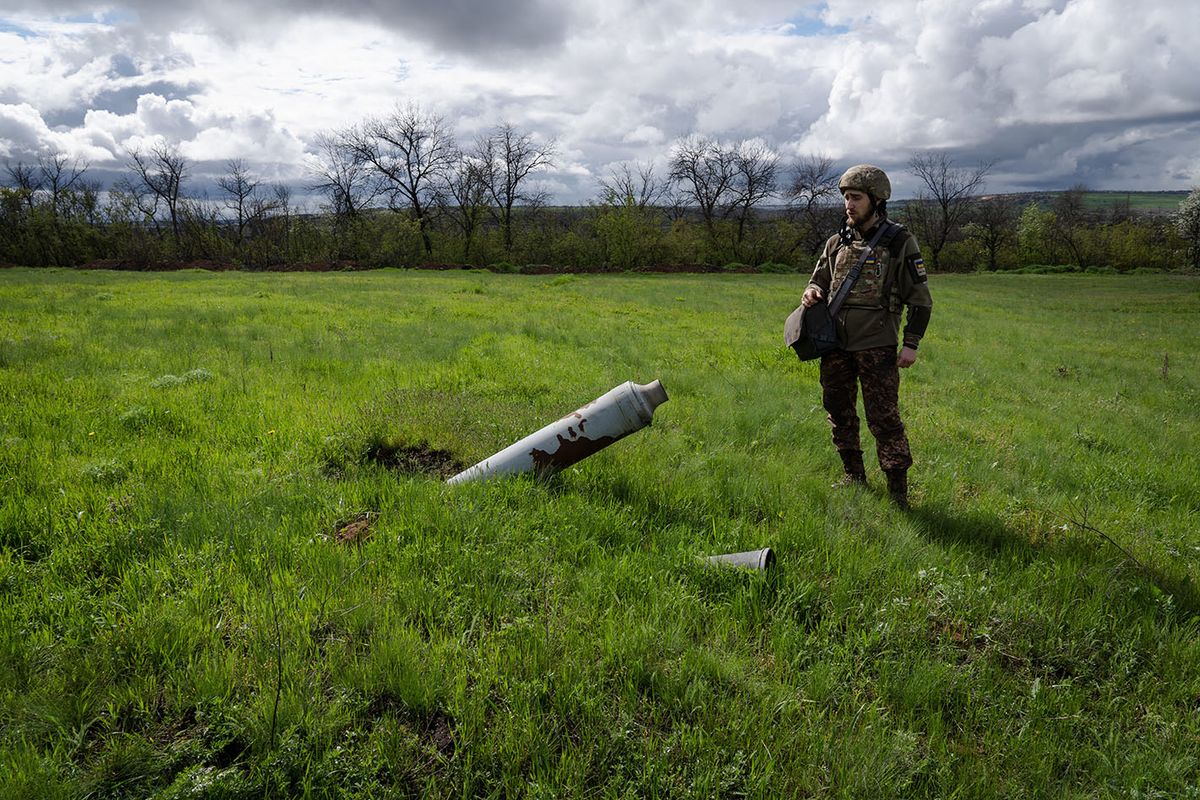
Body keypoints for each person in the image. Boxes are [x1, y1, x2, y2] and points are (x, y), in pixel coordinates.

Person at [800, 164, 932, 508]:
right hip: (835, 346)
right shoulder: (836, 241)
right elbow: (818, 280)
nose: (848, 204)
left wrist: (911, 344)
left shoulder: (899, 241)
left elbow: (920, 300)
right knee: (838, 410)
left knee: (884, 418)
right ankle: (854, 476)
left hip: (877, 346)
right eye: (845, 197)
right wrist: (812, 292)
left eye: (855, 197)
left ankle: (897, 493)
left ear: (876, 200)